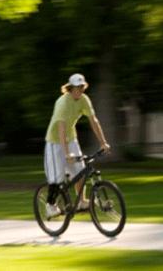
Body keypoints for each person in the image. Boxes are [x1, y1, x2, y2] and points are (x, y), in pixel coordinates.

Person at [44, 73, 111, 218]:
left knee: (80, 171)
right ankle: (50, 205)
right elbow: (61, 128)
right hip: (55, 141)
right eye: (77, 88)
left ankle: (81, 201)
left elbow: (94, 120)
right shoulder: (63, 103)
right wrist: (67, 153)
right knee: (57, 177)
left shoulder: (84, 100)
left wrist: (103, 142)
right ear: (70, 88)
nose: (80, 90)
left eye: (82, 87)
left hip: (71, 138)